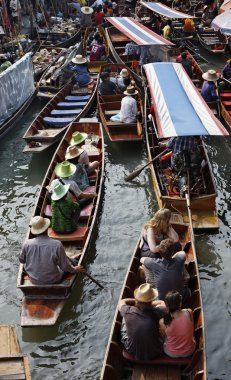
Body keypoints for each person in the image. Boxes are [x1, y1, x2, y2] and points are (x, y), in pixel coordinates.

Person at [19, 216, 85, 284]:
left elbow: (22, 260)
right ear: (47, 228)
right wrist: (75, 269)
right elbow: (65, 267)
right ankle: (71, 259)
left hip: (33, 279)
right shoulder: (57, 244)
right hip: (53, 279)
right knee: (74, 262)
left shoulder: (26, 243)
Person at [119, 283, 166, 360]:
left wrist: (136, 300)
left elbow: (122, 301)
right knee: (161, 319)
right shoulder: (158, 312)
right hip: (155, 352)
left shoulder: (128, 310)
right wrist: (149, 303)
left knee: (124, 316)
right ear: (152, 300)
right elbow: (162, 303)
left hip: (132, 351)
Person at [159, 291, 195, 357]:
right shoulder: (189, 312)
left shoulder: (163, 321)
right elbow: (192, 328)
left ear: (167, 305)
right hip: (189, 351)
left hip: (171, 353)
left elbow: (164, 337)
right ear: (180, 303)